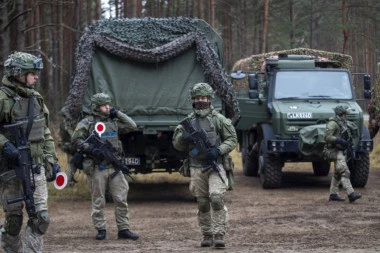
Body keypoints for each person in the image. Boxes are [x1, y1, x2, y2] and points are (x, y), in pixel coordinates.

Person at [0, 51, 60, 252]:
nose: (36, 76)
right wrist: (5, 146)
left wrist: (51, 159)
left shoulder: (36, 98)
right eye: (32, 72)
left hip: (35, 167)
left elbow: (45, 132)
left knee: (41, 218)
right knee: (14, 222)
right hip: (10, 169)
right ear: (18, 73)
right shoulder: (2, 98)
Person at [172, 83, 237, 248]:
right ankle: (207, 234)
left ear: (210, 99)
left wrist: (218, 150)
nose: (202, 101)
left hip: (216, 164)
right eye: (199, 98)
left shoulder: (219, 119)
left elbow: (232, 139)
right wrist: (183, 138)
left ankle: (219, 233)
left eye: (205, 98)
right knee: (202, 202)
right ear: (193, 99)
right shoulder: (187, 122)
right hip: (196, 166)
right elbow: (177, 145)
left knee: (215, 197)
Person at [71, 93, 139, 241]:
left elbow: (132, 125)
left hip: (114, 167)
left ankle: (124, 229)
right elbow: (76, 140)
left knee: (121, 198)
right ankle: (101, 229)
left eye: (108, 104)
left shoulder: (113, 121)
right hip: (97, 167)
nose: (108, 107)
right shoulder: (87, 122)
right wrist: (91, 149)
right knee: (98, 200)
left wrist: (118, 113)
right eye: (104, 105)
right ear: (96, 107)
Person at [323, 105, 362, 203]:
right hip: (333, 151)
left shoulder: (343, 123)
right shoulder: (332, 124)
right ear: (341, 114)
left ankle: (333, 194)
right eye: (345, 114)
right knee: (344, 171)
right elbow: (327, 137)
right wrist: (338, 140)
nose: (346, 116)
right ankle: (351, 194)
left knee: (338, 173)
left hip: (341, 151)